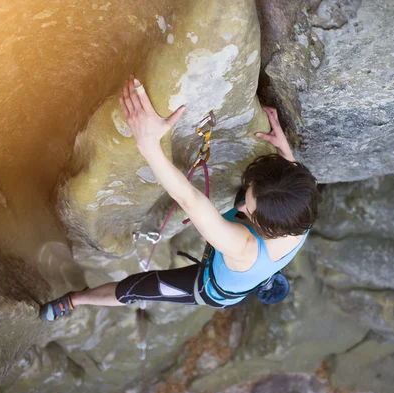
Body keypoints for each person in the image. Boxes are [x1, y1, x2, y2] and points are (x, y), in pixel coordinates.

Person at [40, 76, 320, 321]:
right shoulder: (301, 213)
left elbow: (191, 200)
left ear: (271, 227)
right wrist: (284, 151)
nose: (242, 207)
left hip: (212, 287)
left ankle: (76, 300)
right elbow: (295, 178)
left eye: (250, 210)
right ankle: (263, 280)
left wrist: (148, 144)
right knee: (253, 214)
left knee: (132, 289)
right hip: (255, 263)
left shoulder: (243, 246)